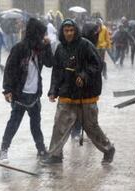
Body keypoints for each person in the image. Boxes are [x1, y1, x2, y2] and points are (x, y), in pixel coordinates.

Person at [45, 19, 115, 164]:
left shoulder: (85, 45)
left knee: (91, 127)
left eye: (71, 30)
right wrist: (53, 90)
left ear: (76, 31)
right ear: (62, 32)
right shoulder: (60, 49)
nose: (69, 33)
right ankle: (55, 155)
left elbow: (97, 64)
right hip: (66, 93)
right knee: (60, 125)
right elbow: (56, 72)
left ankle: (108, 149)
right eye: (66, 30)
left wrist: (84, 75)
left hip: (86, 95)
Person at [0, 18, 53, 161]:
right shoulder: (19, 48)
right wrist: (7, 90)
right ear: (35, 34)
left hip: (35, 94)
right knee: (14, 123)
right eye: (41, 34)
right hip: (19, 94)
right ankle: (4, 149)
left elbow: (49, 63)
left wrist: (48, 46)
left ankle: (41, 150)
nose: (43, 37)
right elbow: (9, 69)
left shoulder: (40, 48)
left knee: (36, 124)